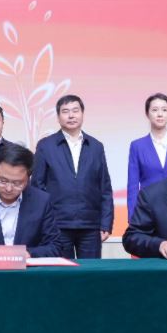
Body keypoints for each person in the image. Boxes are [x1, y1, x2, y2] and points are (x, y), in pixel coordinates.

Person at [31, 95, 114, 259]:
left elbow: (104, 187)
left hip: (90, 225)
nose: (71, 115)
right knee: (62, 271)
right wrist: (43, 221)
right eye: (65, 111)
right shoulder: (46, 146)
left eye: (75, 111)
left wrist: (106, 222)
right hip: (57, 224)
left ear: (82, 114)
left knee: (90, 272)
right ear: (58, 117)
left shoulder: (96, 146)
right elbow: (37, 186)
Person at [126, 93, 167, 218]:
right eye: (154, 110)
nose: (160, 114)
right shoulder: (137, 146)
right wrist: (133, 217)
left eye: (164, 110)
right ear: (147, 114)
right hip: (147, 210)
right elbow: (133, 186)